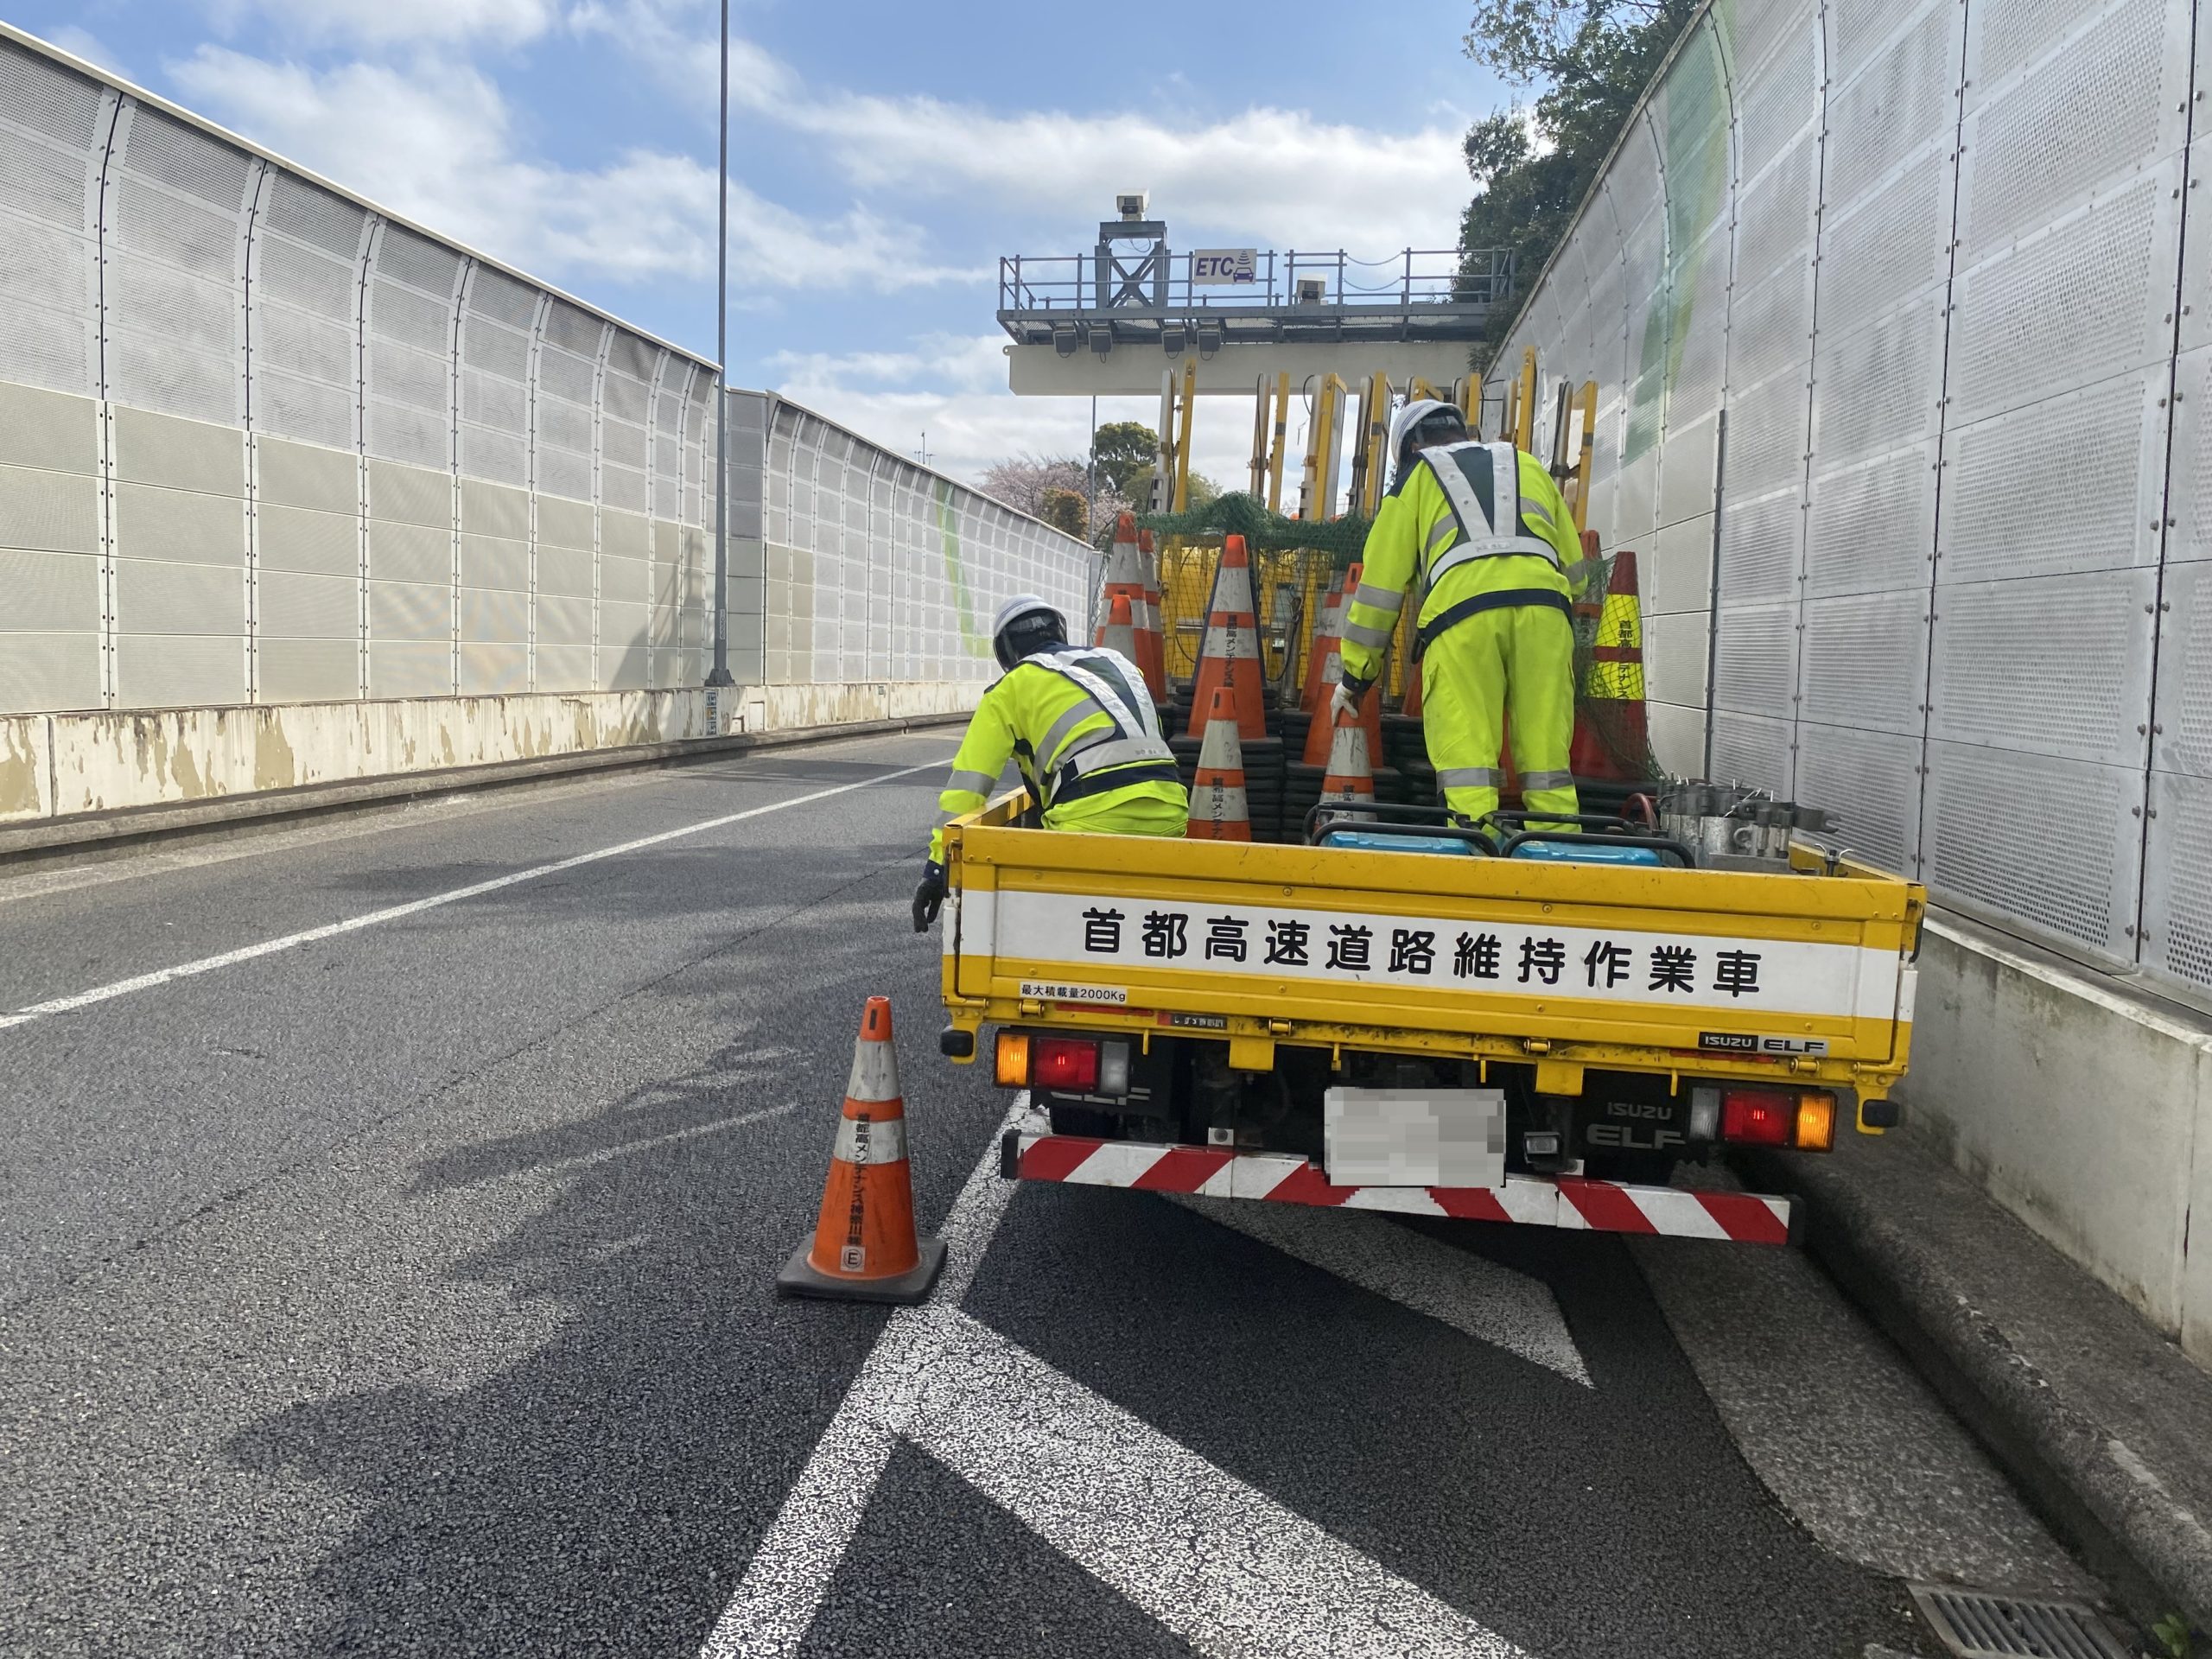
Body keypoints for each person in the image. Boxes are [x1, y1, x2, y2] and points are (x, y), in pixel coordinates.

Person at [1334, 398, 1586, 830]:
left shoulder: (1416, 479)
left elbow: (1379, 591)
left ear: (1412, 447)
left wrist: (1356, 677)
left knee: (1469, 768)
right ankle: (1561, 854)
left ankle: (1476, 852)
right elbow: (1576, 574)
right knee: (1547, 765)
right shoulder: (1525, 463)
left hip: (1461, 621)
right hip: (1545, 615)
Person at [912, 595, 1188, 931]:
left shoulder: (1009, 688)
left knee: (1057, 930)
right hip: (1171, 811)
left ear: (1006, 652)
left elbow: (967, 788)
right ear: (1059, 631)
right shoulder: (1120, 663)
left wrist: (937, 867)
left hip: (1087, 820)